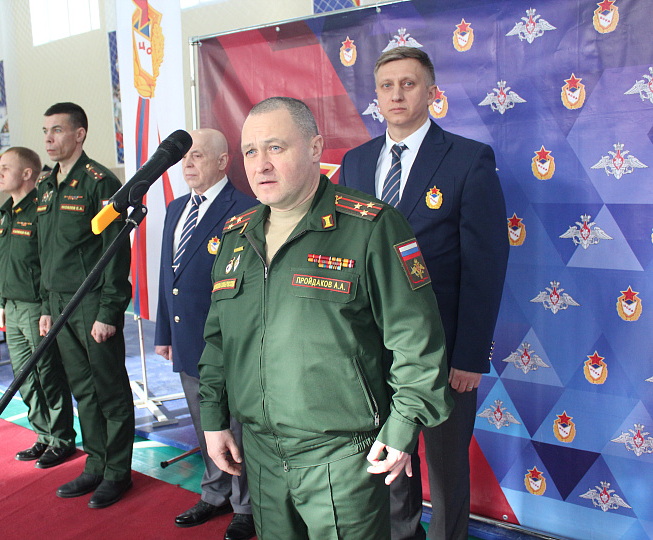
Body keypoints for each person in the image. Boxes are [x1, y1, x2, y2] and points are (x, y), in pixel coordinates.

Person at [198, 97, 453, 540]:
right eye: (251, 151)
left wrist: (403, 425)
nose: (261, 164)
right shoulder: (237, 236)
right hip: (261, 454)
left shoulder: (370, 227)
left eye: (276, 147)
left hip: (342, 457)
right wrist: (213, 418)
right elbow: (219, 341)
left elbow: (416, 339)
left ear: (315, 147)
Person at [338, 47, 509, 540]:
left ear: (432, 93)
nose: (396, 94)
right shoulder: (355, 162)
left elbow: (485, 266)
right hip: (372, 349)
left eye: (408, 84)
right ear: (376, 96)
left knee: (447, 467)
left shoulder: (468, 159)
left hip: (444, 350)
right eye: (386, 85)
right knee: (391, 461)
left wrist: (470, 355)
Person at [154, 129, 256, 540]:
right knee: (205, 424)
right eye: (185, 157)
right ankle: (215, 493)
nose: (188, 163)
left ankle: (246, 505)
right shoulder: (176, 208)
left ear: (222, 161)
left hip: (229, 346)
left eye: (197, 155)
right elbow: (168, 277)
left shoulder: (245, 207)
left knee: (235, 428)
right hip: (187, 340)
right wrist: (164, 332)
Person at [37, 102, 134, 509]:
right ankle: (95, 464)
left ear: (79, 134)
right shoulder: (46, 185)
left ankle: (118, 472)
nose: (48, 139)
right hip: (59, 303)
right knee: (83, 391)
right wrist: (46, 305)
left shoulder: (99, 182)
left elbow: (116, 250)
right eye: (45, 131)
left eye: (57, 130)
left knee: (109, 389)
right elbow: (46, 252)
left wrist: (109, 311)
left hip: (91, 301)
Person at [0, 147, 76, 469]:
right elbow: (5, 263)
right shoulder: (7, 211)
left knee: (48, 375)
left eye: (5, 167)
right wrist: (1, 301)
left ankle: (62, 439)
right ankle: (43, 435)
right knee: (25, 379)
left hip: (35, 307)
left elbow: (48, 263)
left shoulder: (41, 210)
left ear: (27, 173)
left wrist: (46, 308)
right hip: (13, 307)